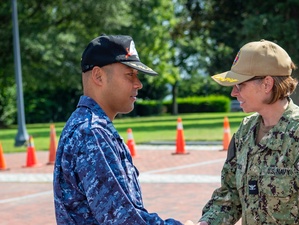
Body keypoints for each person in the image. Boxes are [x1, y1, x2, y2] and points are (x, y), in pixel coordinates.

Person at [197, 39, 299, 224]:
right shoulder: (246, 131)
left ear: (267, 84)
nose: (233, 93)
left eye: (240, 85)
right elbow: (230, 194)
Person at [53, 34, 194, 225]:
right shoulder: (92, 132)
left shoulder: (88, 125)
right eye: (130, 75)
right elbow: (125, 220)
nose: (138, 84)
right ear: (98, 76)